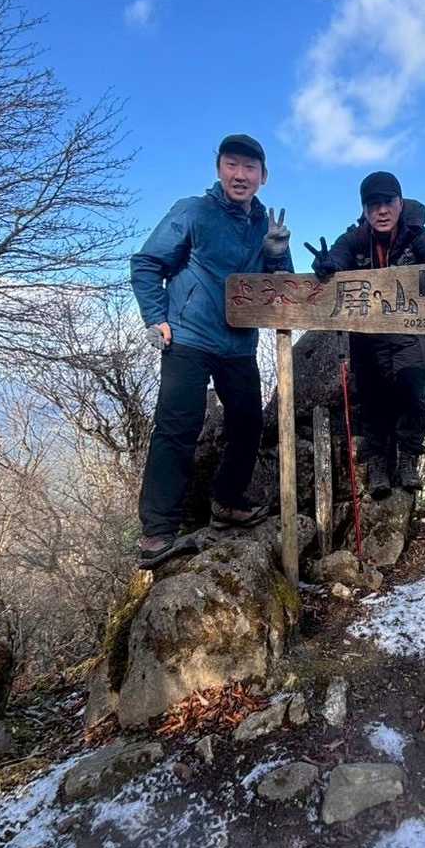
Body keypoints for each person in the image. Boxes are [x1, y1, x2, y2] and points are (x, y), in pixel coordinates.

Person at [130, 134, 293, 568]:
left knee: (248, 423)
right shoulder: (193, 211)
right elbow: (147, 263)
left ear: (263, 176)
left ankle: (227, 501)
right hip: (187, 336)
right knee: (177, 427)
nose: (240, 175)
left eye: (249, 168)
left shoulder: (265, 225)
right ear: (219, 168)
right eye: (231, 165)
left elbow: (284, 289)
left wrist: (278, 255)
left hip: (238, 342)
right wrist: (155, 316)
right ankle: (157, 531)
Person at [306, 171, 425, 497]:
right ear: (364, 209)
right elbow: (338, 258)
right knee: (371, 399)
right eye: (373, 204)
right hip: (367, 338)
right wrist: (327, 265)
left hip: (410, 334)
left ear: (400, 204)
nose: (382, 210)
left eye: (388, 202)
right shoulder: (354, 239)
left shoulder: (416, 235)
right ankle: (377, 462)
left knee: (412, 393)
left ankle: (407, 458)